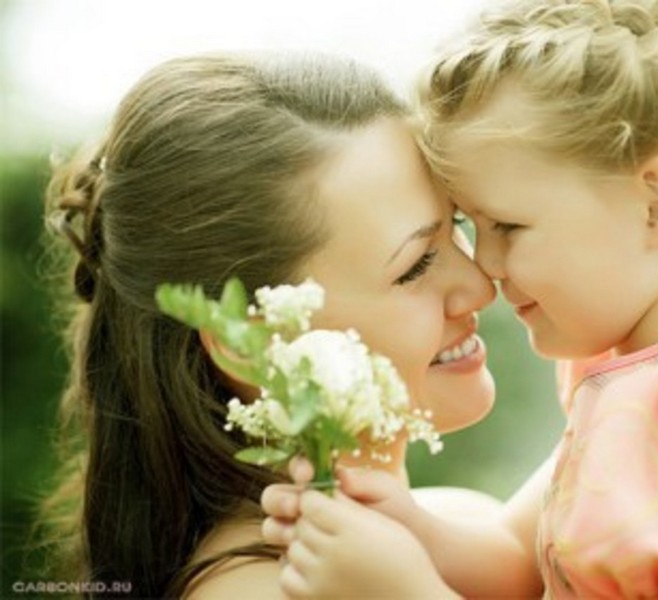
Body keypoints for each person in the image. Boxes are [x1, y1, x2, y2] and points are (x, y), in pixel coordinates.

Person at [263, 0, 658, 597]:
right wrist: (407, 525)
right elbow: (523, 561)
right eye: (472, 226)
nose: (485, 267)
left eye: (508, 226)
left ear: (657, 205)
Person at [40, 50, 502, 598]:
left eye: (458, 223)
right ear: (249, 343)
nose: (482, 285)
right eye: (416, 266)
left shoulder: (480, 536)